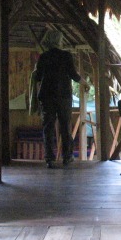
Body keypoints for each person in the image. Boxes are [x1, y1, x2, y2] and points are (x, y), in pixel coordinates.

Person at [30, 29, 81, 168]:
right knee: (65, 126)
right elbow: (74, 75)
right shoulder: (66, 56)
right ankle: (67, 156)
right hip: (63, 96)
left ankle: (49, 159)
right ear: (59, 41)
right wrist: (84, 81)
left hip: (47, 97)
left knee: (48, 127)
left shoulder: (44, 57)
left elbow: (39, 77)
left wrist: (37, 71)